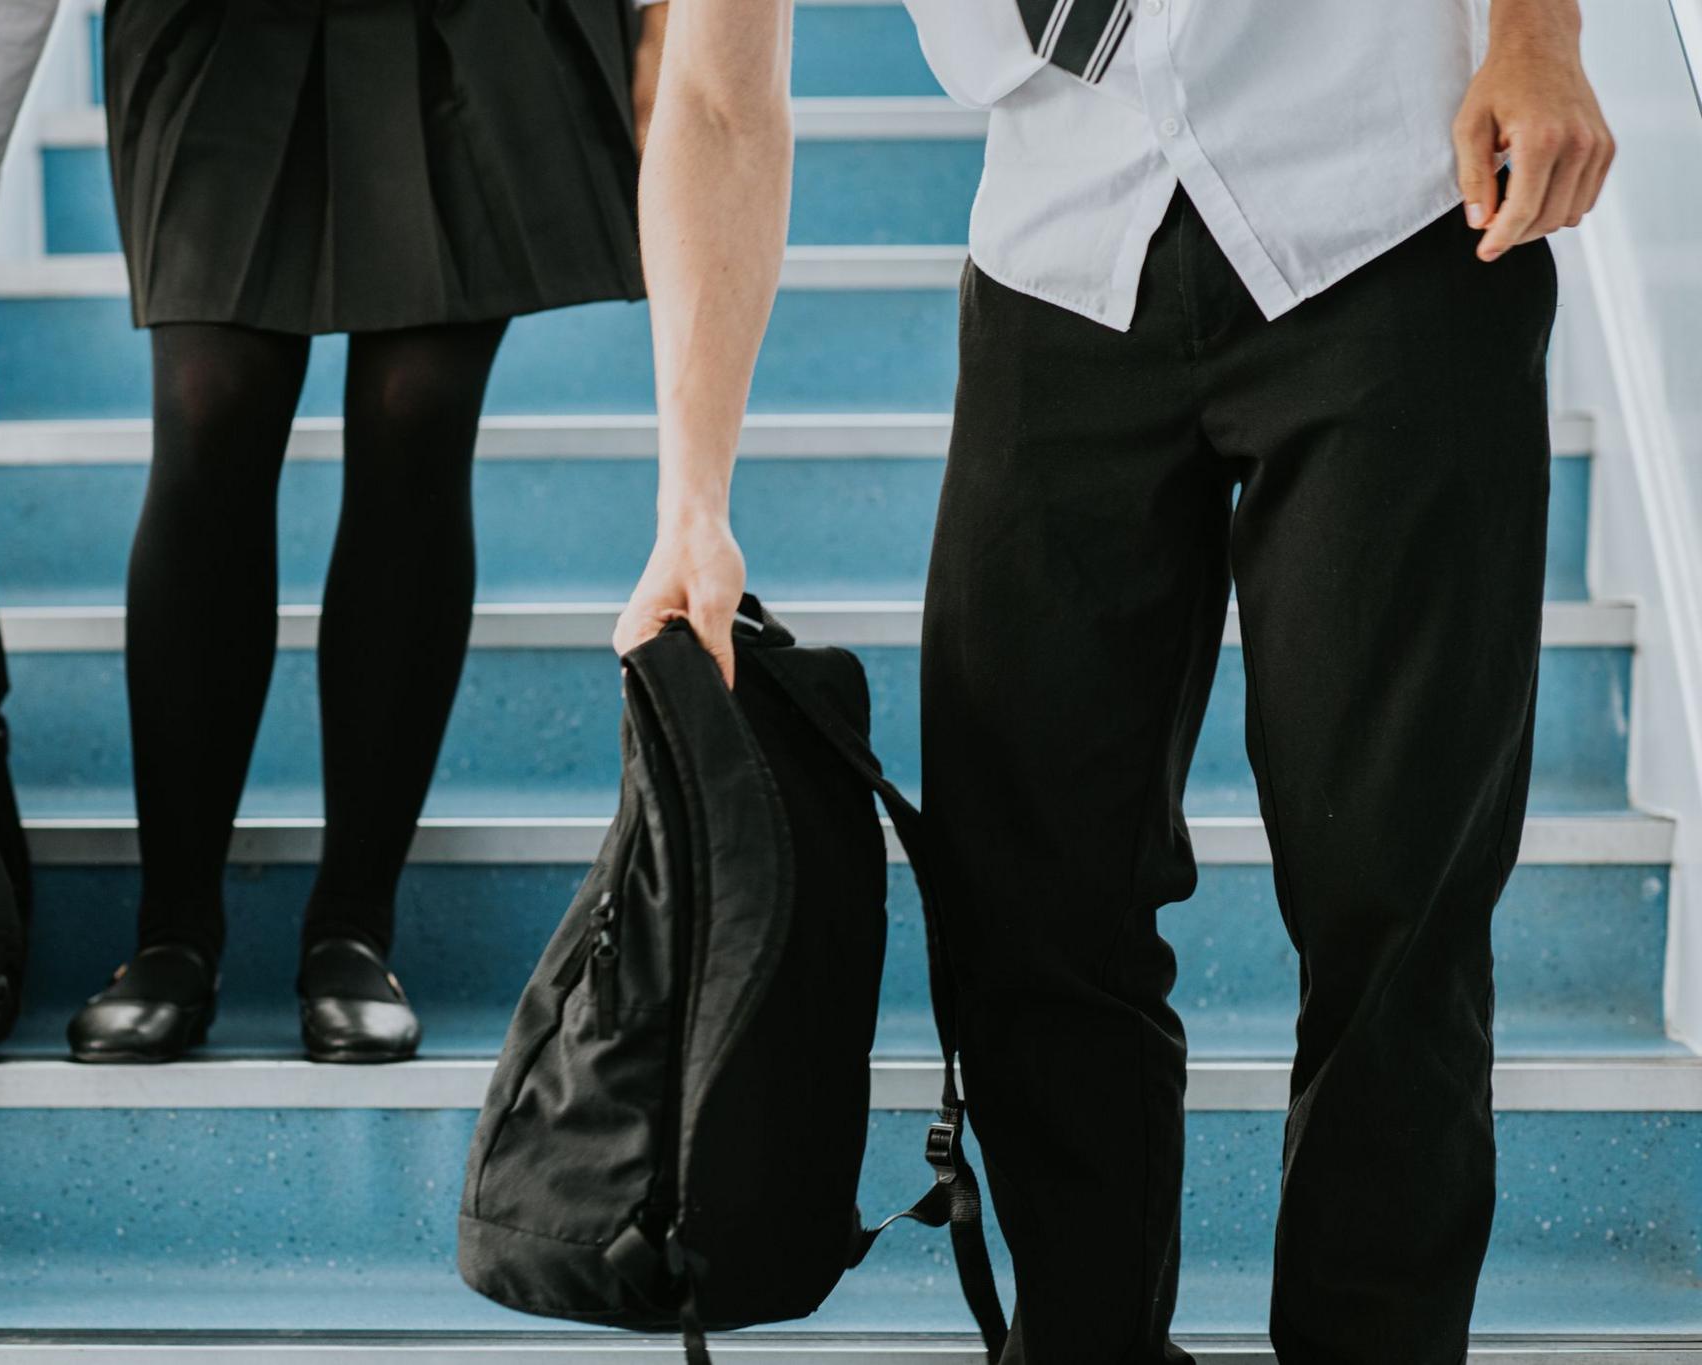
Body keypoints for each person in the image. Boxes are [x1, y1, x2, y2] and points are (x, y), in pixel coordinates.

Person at [612, 0, 1613, 1358]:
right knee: (1025, 887)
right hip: (1056, 253)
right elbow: (719, 101)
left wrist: (1540, 37)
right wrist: (692, 505)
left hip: (1397, 212)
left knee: (1397, 896)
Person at [0, 0, 669, 1066]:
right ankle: (172, 935)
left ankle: (354, 928)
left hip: (473, 26)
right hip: (215, 28)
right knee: (210, 409)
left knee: (418, 417)